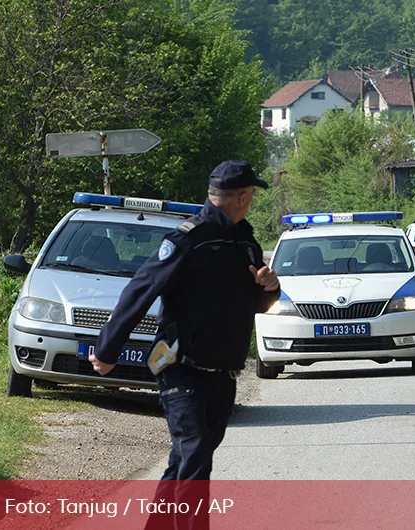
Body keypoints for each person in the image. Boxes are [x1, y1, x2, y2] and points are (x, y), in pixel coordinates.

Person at [91, 160, 280, 529]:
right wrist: (108, 348)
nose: (253, 199)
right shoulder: (188, 238)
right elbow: (142, 289)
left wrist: (271, 288)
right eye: (252, 194)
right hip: (180, 365)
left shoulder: (246, 242)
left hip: (223, 371)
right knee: (195, 456)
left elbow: (256, 301)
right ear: (243, 196)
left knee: (186, 458)